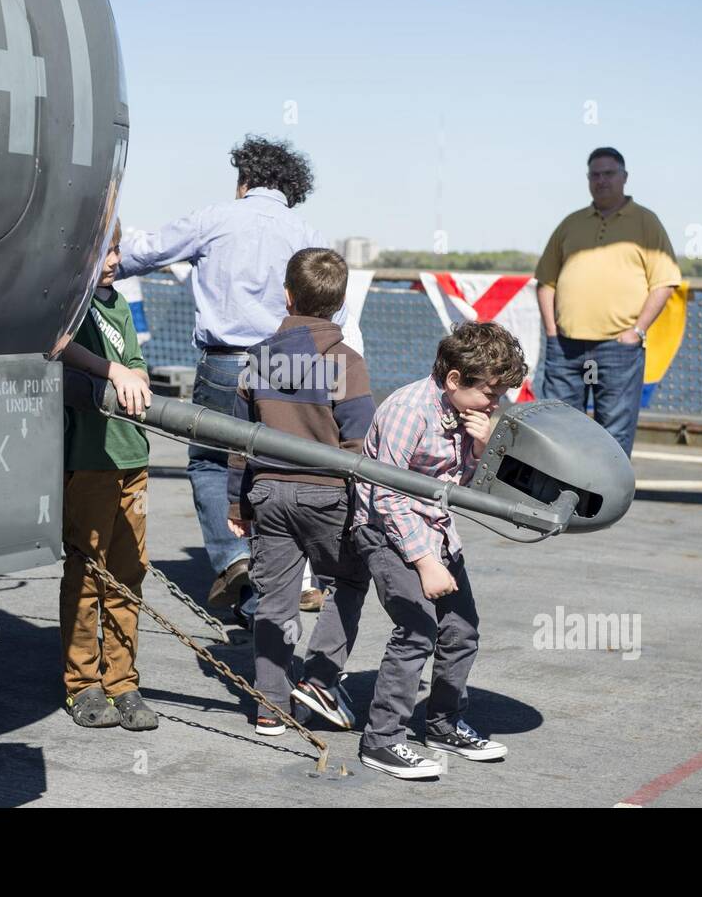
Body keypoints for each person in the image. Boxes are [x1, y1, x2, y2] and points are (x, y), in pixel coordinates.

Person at [116, 136, 333, 622]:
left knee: (213, 462)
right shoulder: (305, 231)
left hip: (226, 360)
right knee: (271, 472)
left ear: (245, 179)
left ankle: (232, 558)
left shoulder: (214, 218)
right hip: (289, 365)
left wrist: (107, 262)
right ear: (291, 187)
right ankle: (265, 600)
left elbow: (144, 252)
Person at [353, 322, 525, 779]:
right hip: (386, 530)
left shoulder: (471, 415)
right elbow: (385, 494)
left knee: (462, 632)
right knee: (416, 630)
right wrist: (425, 562)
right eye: (491, 393)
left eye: (502, 394)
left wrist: (486, 444)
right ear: (454, 380)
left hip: (436, 531)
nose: (496, 404)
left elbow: (465, 485)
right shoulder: (408, 412)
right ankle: (382, 740)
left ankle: (443, 723)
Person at [225, 249, 376, 735]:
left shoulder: (259, 358)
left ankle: (270, 705)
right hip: (327, 495)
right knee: (348, 581)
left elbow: (239, 439)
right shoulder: (346, 362)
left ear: (287, 295)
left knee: (275, 599)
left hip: (267, 492)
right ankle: (319, 678)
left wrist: (236, 501)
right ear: (339, 302)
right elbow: (359, 441)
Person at [54, 221, 159, 731]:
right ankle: (83, 683)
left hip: (131, 458)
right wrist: (111, 372)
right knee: (87, 572)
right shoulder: (70, 304)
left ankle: (123, 681)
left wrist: (133, 372)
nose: (114, 260)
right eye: (103, 250)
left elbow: (137, 363)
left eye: (116, 249)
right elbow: (55, 345)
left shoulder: (117, 303)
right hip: (90, 461)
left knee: (129, 573)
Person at [534, 147, 681, 456]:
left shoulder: (646, 222)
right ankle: (557, 501)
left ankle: (603, 502)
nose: (601, 181)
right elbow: (546, 282)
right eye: (595, 175)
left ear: (624, 177)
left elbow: (664, 282)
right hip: (565, 347)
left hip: (618, 348)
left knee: (613, 433)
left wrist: (637, 332)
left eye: (609, 174)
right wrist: (551, 332)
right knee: (558, 429)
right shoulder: (571, 223)